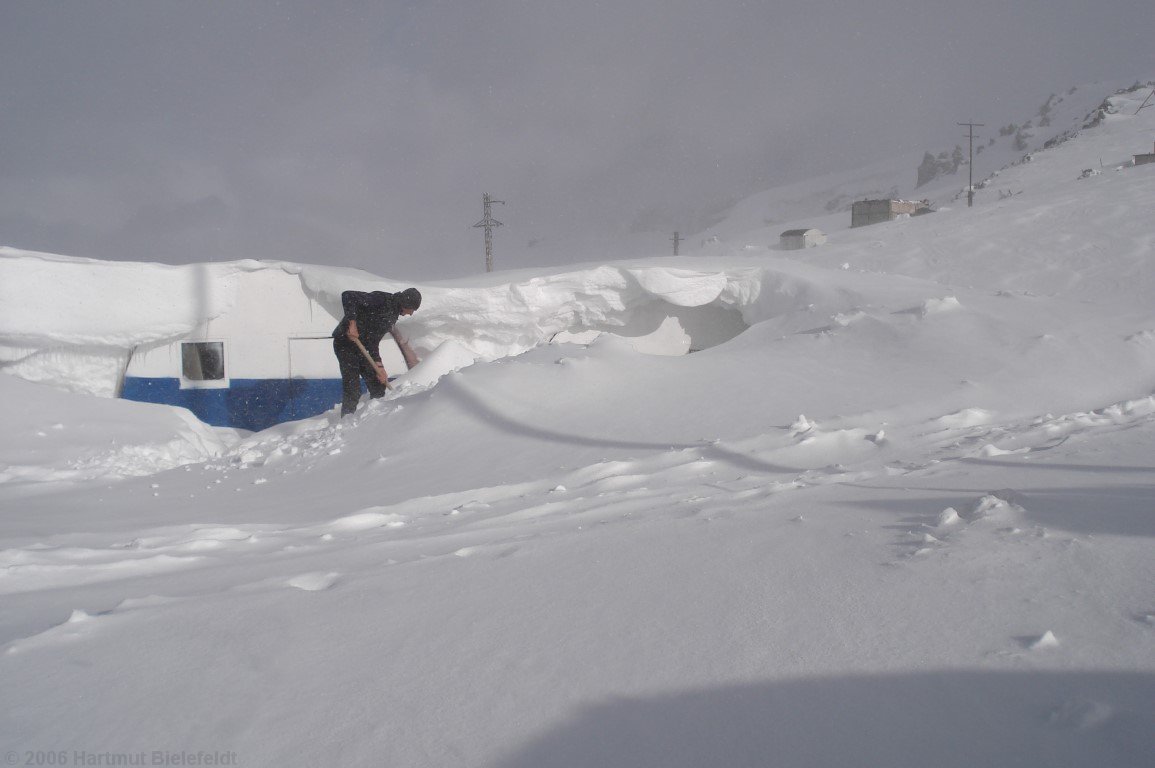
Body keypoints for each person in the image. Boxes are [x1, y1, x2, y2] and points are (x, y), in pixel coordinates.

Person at [331, 287, 421, 416]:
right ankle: (345, 424)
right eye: (412, 309)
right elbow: (348, 295)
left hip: (364, 347)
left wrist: (379, 366)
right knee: (353, 389)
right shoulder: (381, 300)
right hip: (345, 344)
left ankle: (374, 420)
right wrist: (352, 323)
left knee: (378, 386)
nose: (411, 313)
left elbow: (373, 341)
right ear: (406, 303)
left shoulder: (392, 315)